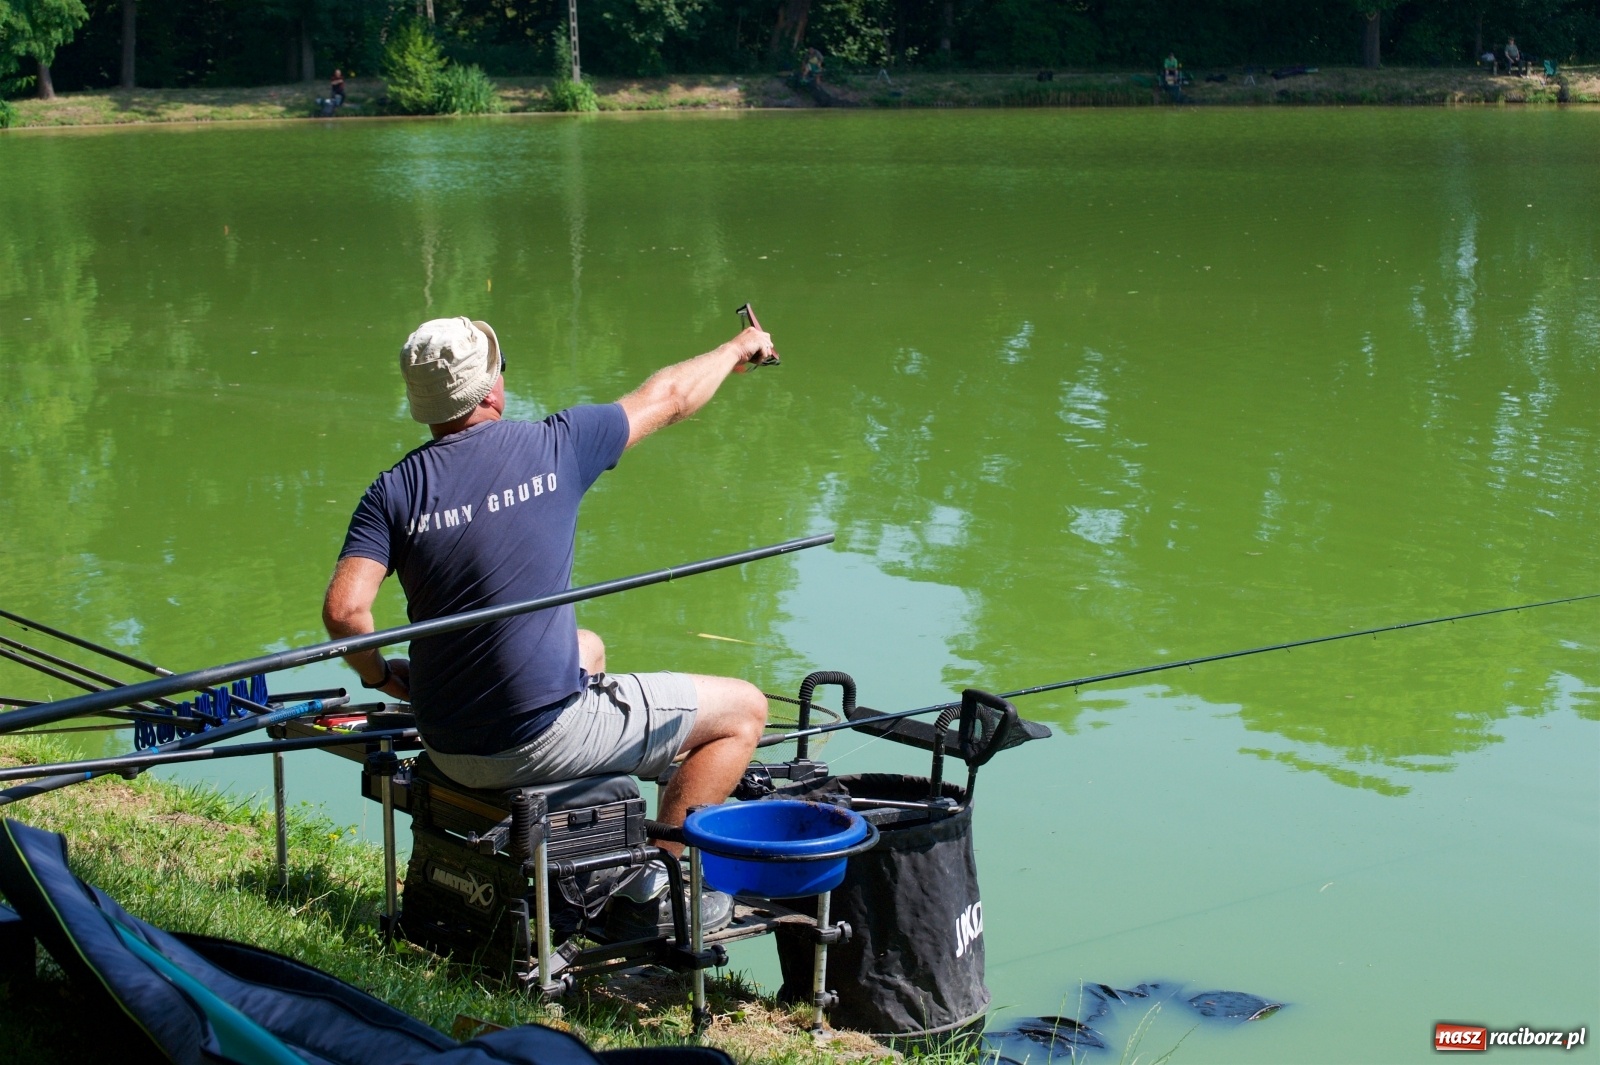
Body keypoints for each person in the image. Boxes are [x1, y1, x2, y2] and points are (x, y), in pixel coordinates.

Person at [322, 316, 777, 932]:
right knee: (743, 711)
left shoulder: (392, 491)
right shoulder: (555, 443)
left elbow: (346, 612)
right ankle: (658, 890)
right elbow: (670, 397)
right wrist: (736, 349)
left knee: (587, 646)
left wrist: (380, 676)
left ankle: (581, 839)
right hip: (532, 738)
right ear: (490, 390)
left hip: (446, 742)